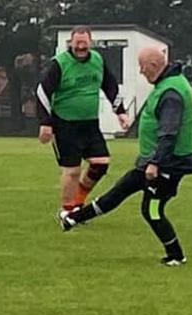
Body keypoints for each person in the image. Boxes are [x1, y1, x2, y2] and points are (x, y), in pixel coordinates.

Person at [59, 46, 192, 266]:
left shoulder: (171, 92)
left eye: (142, 67)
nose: (141, 72)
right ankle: (74, 218)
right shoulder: (165, 84)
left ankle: (176, 255)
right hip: (151, 162)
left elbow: (169, 133)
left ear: (153, 66)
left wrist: (155, 163)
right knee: (119, 191)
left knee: (152, 209)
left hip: (167, 165)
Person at [36, 26, 130, 211]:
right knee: (72, 171)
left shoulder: (97, 60)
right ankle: (67, 211)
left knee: (101, 163)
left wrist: (120, 111)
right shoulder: (59, 64)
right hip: (64, 124)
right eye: (77, 43)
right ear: (70, 43)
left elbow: (110, 85)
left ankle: (77, 202)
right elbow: (42, 92)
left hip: (90, 124)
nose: (80, 47)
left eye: (84, 44)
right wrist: (45, 123)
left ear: (90, 43)